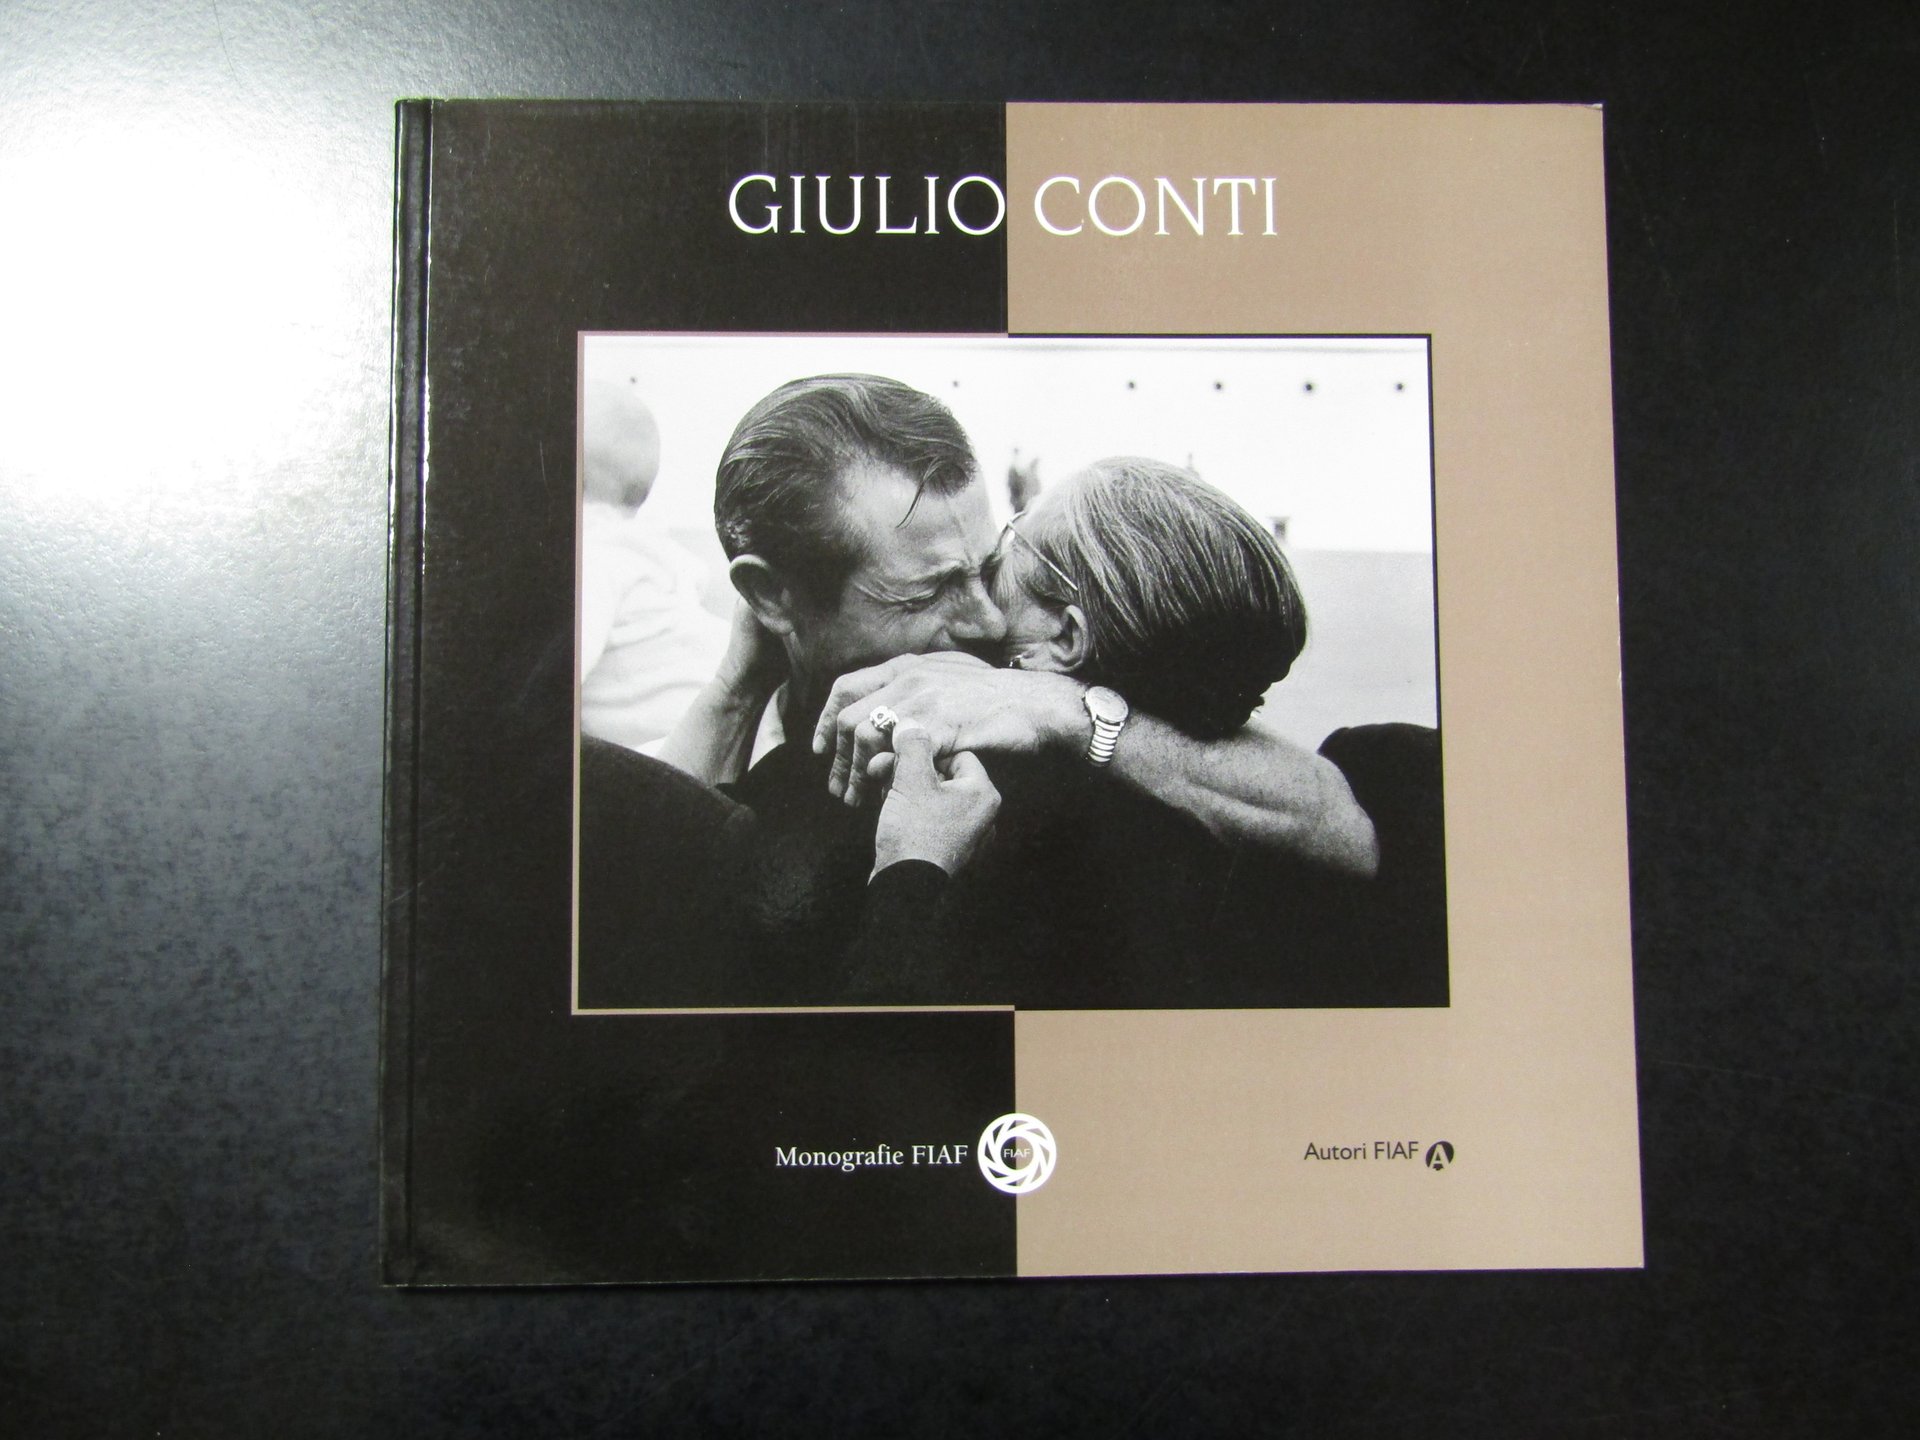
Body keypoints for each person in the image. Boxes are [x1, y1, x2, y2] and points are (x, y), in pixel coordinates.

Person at [650, 376, 1393, 1001]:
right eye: (930, 590)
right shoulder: (1196, 783)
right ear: (771, 597)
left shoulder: (900, 782)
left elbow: (648, 928)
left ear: (1070, 636)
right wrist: (736, 689)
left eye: (991, 563)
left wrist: (1053, 707)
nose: (984, 619)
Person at [819, 456, 1448, 1007]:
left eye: (1012, 542)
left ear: (1066, 637)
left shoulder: (989, 837)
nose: (985, 576)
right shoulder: (1351, 808)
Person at [577, 377, 731, 751]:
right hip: (717, 722)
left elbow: (556, 679)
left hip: (676, 744)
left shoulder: (592, 556)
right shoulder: (647, 549)